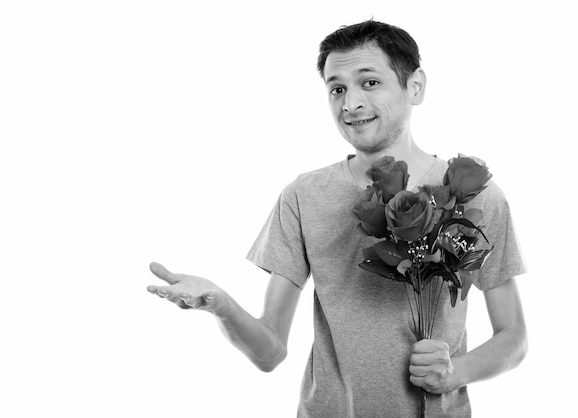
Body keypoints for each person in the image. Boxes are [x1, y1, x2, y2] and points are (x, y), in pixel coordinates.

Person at [147, 19, 527, 417]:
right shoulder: (304, 196)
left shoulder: (473, 195)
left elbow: (514, 337)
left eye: (370, 82)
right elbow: (270, 352)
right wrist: (222, 306)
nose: (350, 104)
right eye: (337, 88)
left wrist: (454, 372)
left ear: (415, 86)